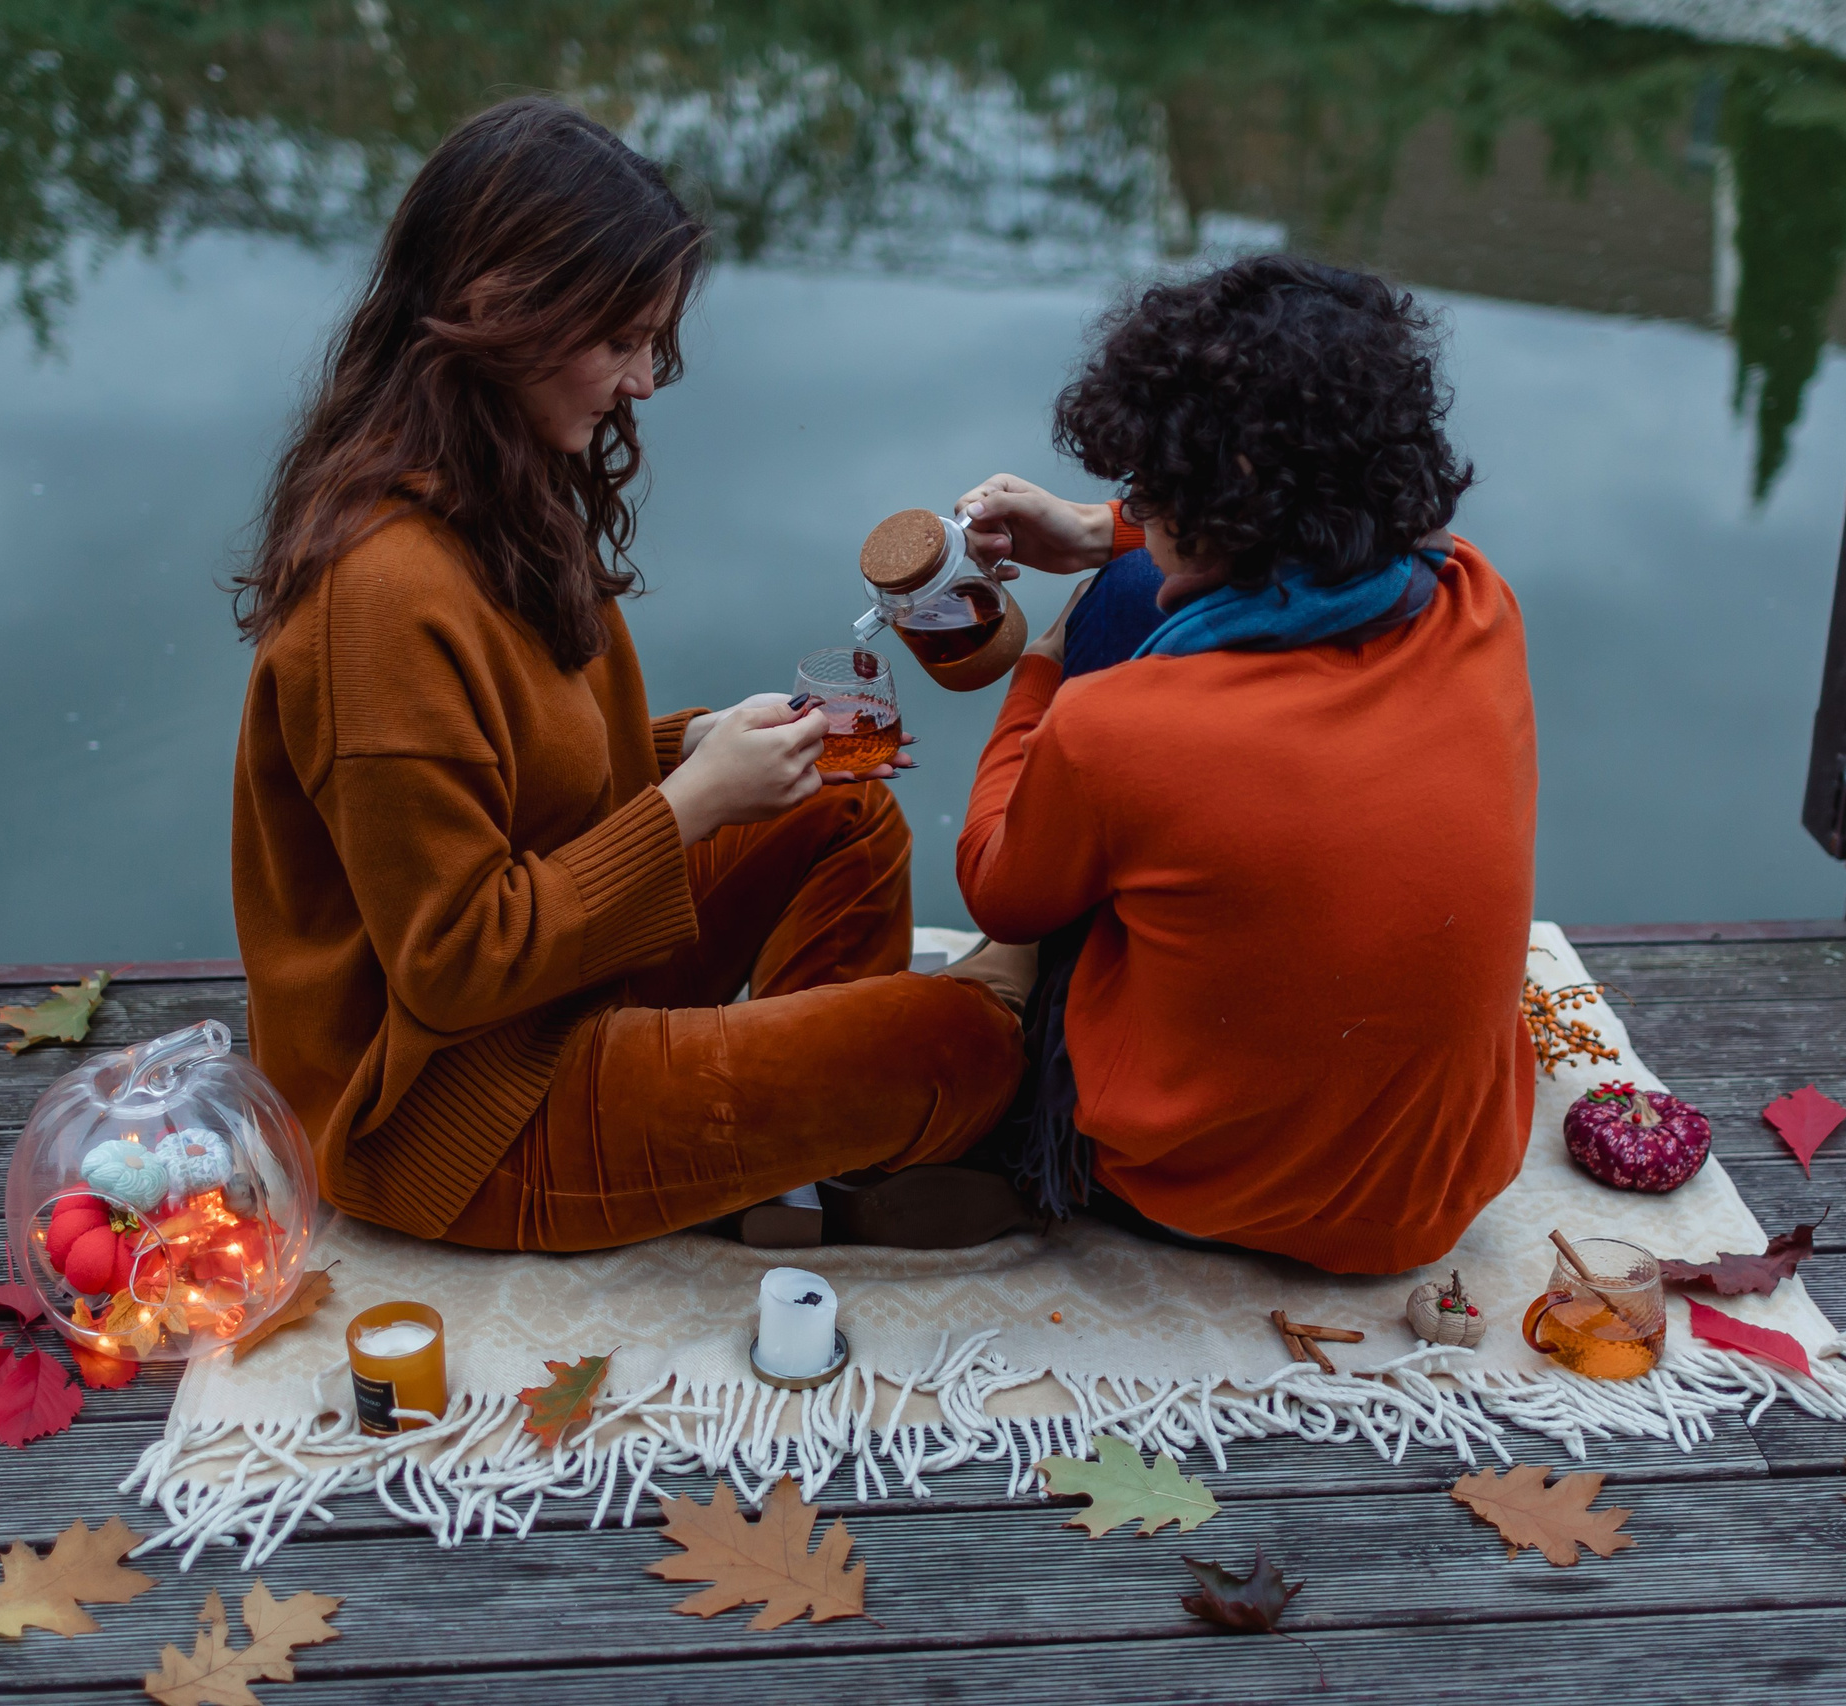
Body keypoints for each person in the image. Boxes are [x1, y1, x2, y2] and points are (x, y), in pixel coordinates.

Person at [229, 98, 1032, 1253]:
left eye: (653, 340)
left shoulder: (494, 485)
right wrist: (692, 805)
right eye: (620, 341)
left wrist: (693, 752)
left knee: (840, 800)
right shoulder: (381, 596)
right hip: (450, 1113)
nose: (646, 382)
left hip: (548, 1000)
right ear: (501, 314)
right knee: (961, 1044)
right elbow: (456, 966)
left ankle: (793, 1172)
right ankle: (787, 1152)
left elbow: (522, 779)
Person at [952, 255, 1537, 1274]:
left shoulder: (1114, 731)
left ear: (1224, 494)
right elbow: (1357, 518)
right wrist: (1105, 532)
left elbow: (996, 884)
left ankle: (1004, 1065)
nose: (1134, 501)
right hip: (1436, 1188)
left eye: (1144, 482)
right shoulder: (1478, 599)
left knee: (1113, 625)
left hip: (1205, 1190)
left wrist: (1041, 675)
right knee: (1139, 586)